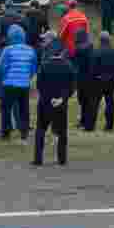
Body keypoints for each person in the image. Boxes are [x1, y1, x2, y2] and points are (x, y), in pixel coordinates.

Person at [33, 34, 77, 166]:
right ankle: (62, 158)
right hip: (61, 104)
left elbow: (39, 85)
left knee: (41, 130)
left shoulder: (45, 66)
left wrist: (48, 98)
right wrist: (62, 98)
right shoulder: (68, 66)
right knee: (62, 132)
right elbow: (72, 86)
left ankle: (38, 158)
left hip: (45, 102)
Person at [0, 24, 37, 140]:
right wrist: (27, 77)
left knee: (6, 109)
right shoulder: (31, 50)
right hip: (24, 84)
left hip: (9, 84)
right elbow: (33, 67)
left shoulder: (7, 50)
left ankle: (6, 132)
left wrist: (2, 78)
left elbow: (1, 67)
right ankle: (24, 131)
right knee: (24, 108)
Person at [85, 32, 114, 132]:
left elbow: (92, 69)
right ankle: (109, 125)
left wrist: (93, 79)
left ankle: (90, 126)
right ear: (109, 40)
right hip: (110, 80)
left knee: (94, 104)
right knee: (110, 103)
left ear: (100, 40)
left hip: (97, 80)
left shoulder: (95, 52)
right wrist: (113, 76)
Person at [72, 29, 94, 130]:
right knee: (87, 101)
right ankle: (86, 121)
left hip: (81, 78)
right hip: (89, 78)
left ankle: (84, 122)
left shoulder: (78, 49)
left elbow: (75, 65)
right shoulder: (90, 47)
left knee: (82, 101)